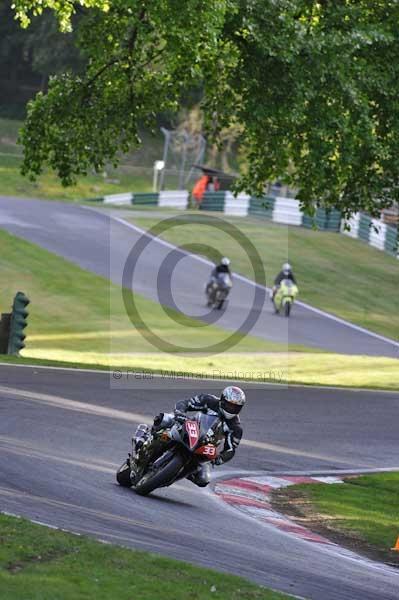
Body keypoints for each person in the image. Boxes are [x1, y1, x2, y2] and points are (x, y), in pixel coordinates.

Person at [133, 386, 246, 488]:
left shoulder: (235, 427)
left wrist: (218, 459)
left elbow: (230, 450)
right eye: (229, 405)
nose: (231, 409)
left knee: (203, 480)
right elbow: (185, 403)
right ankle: (144, 438)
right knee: (165, 419)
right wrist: (180, 413)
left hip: (204, 447)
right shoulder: (209, 401)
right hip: (190, 428)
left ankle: (175, 474)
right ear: (222, 400)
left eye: (235, 407)